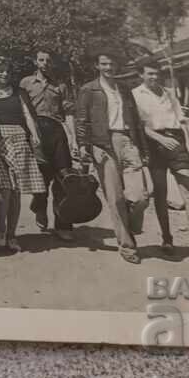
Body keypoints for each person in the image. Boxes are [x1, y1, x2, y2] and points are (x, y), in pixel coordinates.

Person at [132, 63, 189, 265]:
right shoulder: (135, 95)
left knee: (188, 191)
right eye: (150, 74)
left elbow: (182, 122)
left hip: (177, 141)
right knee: (160, 193)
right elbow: (139, 126)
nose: (154, 77)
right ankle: (167, 238)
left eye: (157, 74)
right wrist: (160, 139)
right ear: (141, 75)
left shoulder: (169, 93)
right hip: (154, 144)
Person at [75, 51, 147, 264]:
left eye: (112, 64)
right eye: (104, 64)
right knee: (115, 198)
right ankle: (127, 246)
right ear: (97, 66)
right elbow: (81, 119)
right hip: (103, 144)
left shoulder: (124, 89)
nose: (109, 68)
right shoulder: (89, 89)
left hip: (127, 141)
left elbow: (135, 120)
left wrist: (141, 146)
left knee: (141, 196)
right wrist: (84, 146)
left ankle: (130, 227)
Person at [0, 55, 45, 252]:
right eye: (0, 70)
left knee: (16, 189)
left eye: (7, 71)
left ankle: (12, 234)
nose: (4, 74)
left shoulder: (19, 92)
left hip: (18, 139)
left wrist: (34, 135)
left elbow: (27, 115)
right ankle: (0, 227)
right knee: (3, 187)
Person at [19, 50, 78, 240]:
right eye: (41, 60)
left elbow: (69, 113)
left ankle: (63, 224)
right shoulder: (26, 83)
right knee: (41, 179)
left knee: (64, 178)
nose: (45, 63)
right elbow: (21, 111)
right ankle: (39, 207)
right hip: (35, 132)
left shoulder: (61, 85)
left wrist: (73, 139)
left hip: (57, 131)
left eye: (48, 60)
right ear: (35, 62)